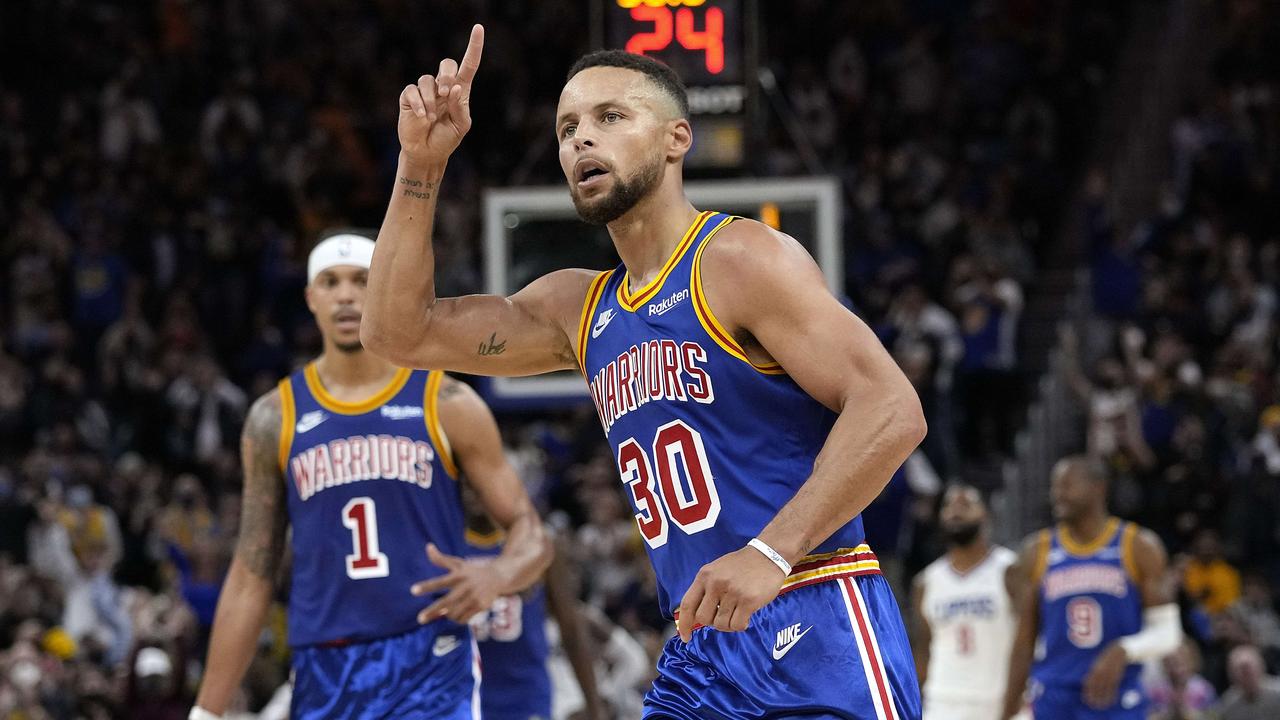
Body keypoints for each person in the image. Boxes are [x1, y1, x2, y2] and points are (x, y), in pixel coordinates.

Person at [363, 26, 927, 719]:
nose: (581, 141)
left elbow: (892, 408)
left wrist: (770, 553)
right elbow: (398, 332)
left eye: (610, 117)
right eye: (568, 128)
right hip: (699, 648)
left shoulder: (740, 259)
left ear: (676, 139)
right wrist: (420, 164)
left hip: (813, 611)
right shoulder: (578, 308)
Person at [189, 233, 552, 720]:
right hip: (324, 663)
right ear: (310, 298)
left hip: (430, 656)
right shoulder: (274, 417)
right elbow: (252, 572)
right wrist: (206, 712)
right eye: (330, 282)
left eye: (361, 281)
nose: (345, 295)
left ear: (383, 287)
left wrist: (500, 574)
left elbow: (532, 533)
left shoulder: (448, 402)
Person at [1002, 456, 1182, 719]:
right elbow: (1023, 643)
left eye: (1067, 486)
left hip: (1116, 696)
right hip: (1055, 695)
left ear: (1099, 488)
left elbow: (1169, 634)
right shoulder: (1036, 552)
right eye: (1055, 487)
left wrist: (1123, 651)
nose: (1057, 495)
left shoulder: (1138, 546)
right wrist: (1006, 711)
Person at [464, 512, 607, 720]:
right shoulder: (440, 541)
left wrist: (595, 709)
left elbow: (571, 630)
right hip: (462, 694)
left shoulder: (539, 542)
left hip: (524, 699)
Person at [911, 483, 1018, 720]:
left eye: (966, 504)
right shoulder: (926, 581)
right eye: (949, 505)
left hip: (998, 699)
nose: (956, 511)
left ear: (985, 515)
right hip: (942, 701)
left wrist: (1016, 699)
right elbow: (924, 649)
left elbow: (1028, 642)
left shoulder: (1009, 569)